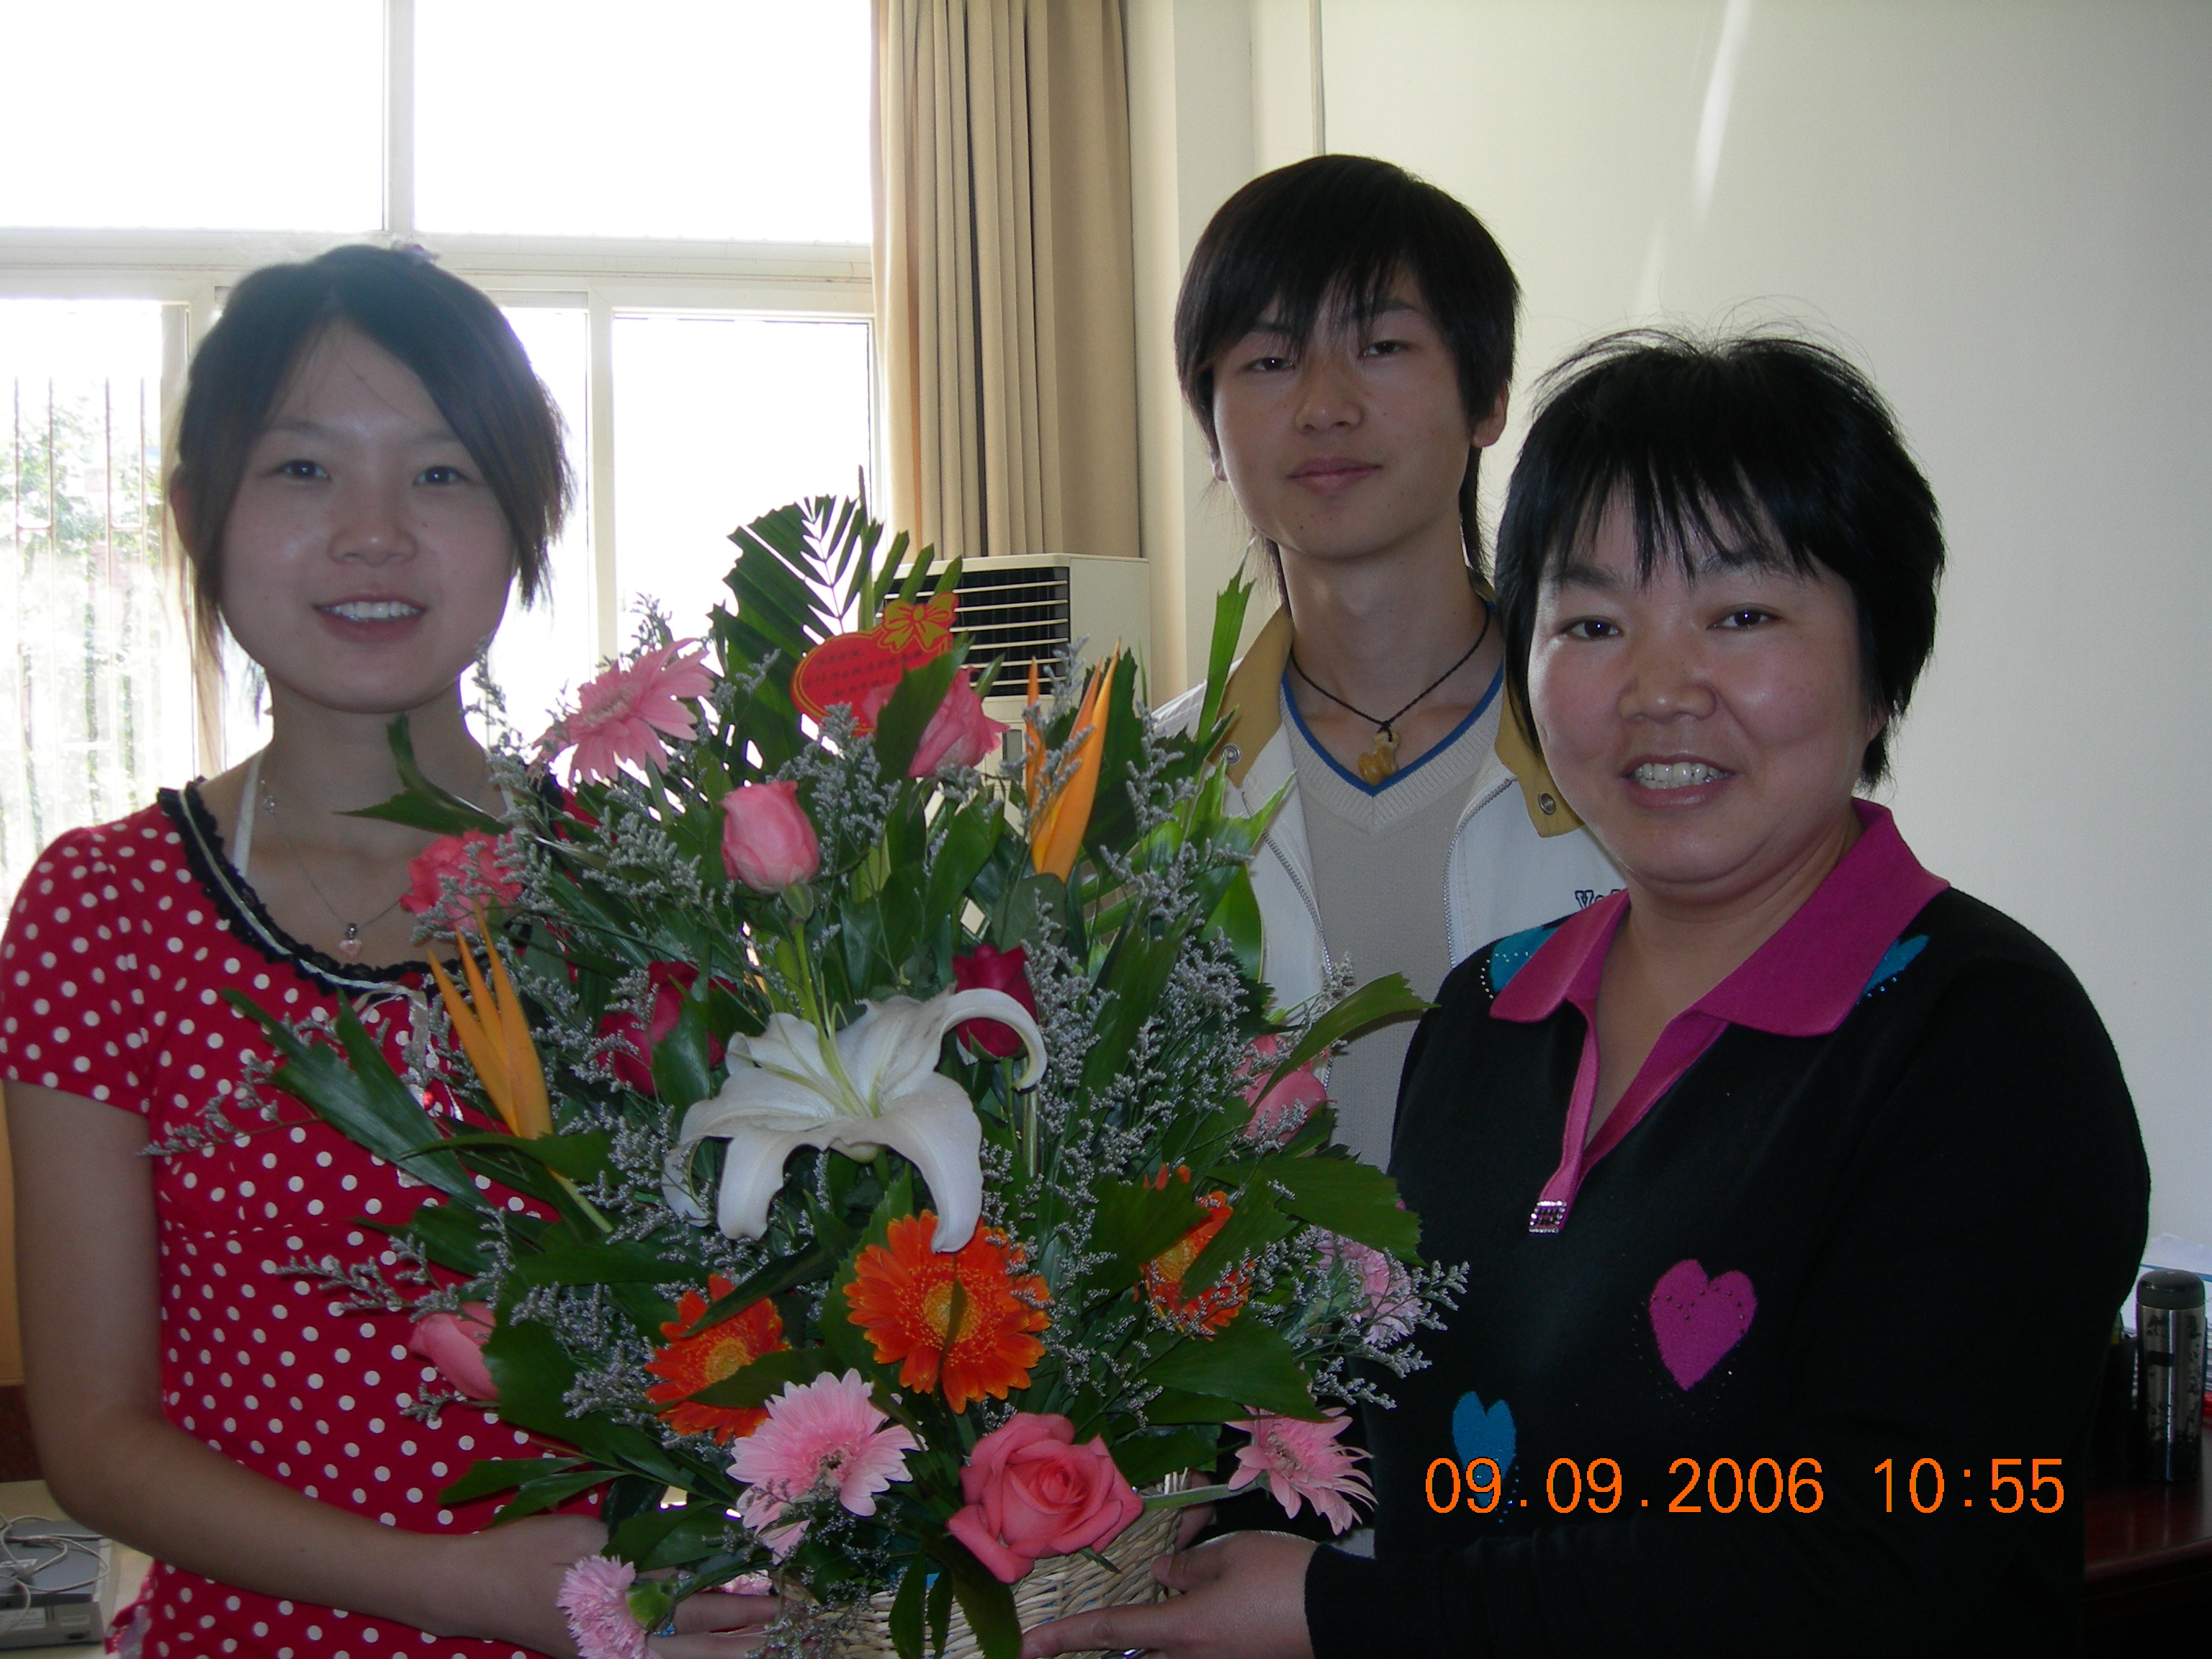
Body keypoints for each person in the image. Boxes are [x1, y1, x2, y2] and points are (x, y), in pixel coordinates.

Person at [1025, 331, 2149, 1658]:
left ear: (1881, 659)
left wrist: (1346, 1615)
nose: (1659, 691)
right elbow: (1404, 1441)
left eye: (1742, 615)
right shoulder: (1488, 1012)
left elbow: (1877, 1559)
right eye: (1593, 624)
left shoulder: (1984, 1040)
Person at [0, 247, 768, 1659]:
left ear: (525, 518)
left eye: (440, 473)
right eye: (302, 469)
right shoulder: (101, 911)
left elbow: (761, 1318)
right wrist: (446, 1586)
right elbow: (93, 1437)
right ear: (198, 515)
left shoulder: (637, 891)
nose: (374, 534)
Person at [1154, 156, 1619, 1171]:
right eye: (1269, 361)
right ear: (1211, 429)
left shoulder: (1619, 748)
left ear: (1487, 397)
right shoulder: (1139, 793)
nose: (1324, 405)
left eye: (1381, 346)